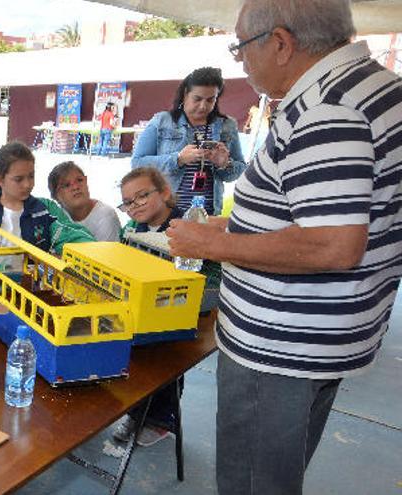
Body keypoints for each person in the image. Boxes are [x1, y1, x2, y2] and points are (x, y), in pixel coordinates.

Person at [166, 1, 402, 493]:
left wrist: (218, 243)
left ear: (280, 42)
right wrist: (235, 222)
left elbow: (333, 244)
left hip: (279, 352)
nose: (240, 63)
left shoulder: (327, 110)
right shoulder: (375, 89)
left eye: (240, 47)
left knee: (254, 483)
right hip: (323, 337)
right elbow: (321, 208)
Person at [110, 167, 186, 446]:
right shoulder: (131, 229)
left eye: (142, 196)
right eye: (128, 202)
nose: (134, 206)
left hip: (173, 312)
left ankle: (161, 420)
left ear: (164, 192)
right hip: (137, 310)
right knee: (135, 366)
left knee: (165, 367)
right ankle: (136, 413)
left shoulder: (185, 226)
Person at [0, 141, 95, 271]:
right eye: (19, 179)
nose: (27, 184)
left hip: (36, 291)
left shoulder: (45, 210)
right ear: (0, 180)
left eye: (31, 176)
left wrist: (62, 258)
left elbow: (77, 238)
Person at [131, 67, 246, 216]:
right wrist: (178, 159)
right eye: (197, 99)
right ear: (185, 94)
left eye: (211, 100)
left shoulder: (227, 126)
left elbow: (240, 169)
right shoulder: (162, 121)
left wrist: (224, 164)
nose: (203, 106)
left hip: (207, 215)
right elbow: (137, 164)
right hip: (165, 213)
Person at [47, 161, 121, 242]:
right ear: (55, 196)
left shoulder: (106, 216)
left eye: (79, 180)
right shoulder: (56, 216)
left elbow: (104, 254)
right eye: (66, 185)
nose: (75, 187)